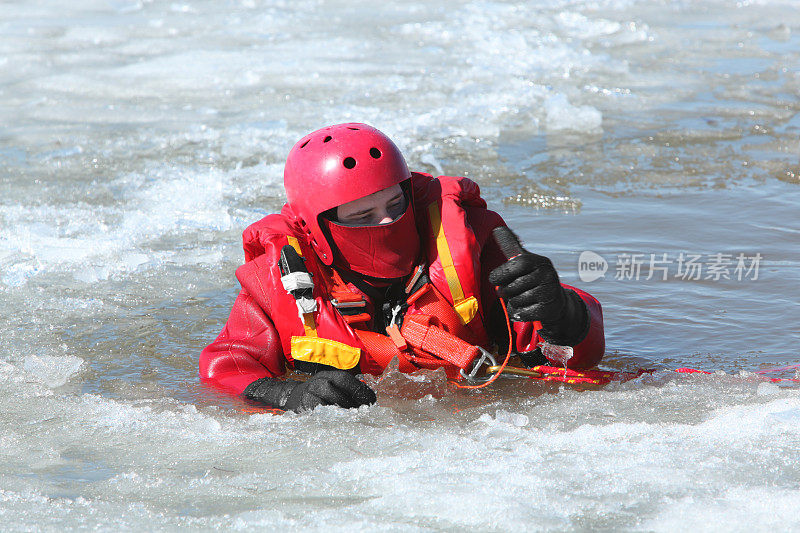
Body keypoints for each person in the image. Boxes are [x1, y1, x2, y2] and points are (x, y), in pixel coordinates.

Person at [200, 123, 605, 412]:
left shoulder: (475, 240)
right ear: (316, 228)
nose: (385, 224)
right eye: (361, 216)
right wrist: (287, 396)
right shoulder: (279, 276)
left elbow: (576, 356)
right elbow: (227, 364)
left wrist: (563, 312)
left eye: (395, 205)